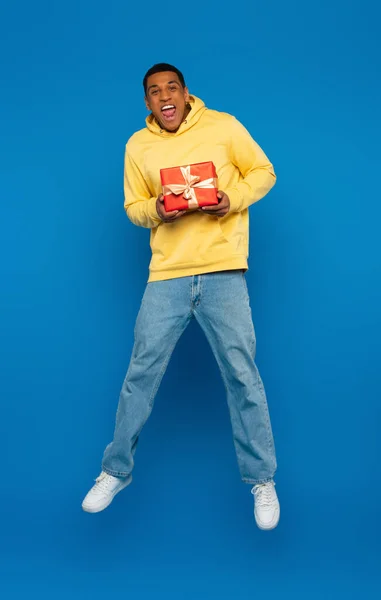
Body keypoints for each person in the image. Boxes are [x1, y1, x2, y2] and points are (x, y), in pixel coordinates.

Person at [82, 63, 280, 530]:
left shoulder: (224, 126)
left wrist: (231, 199)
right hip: (167, 274)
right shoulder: (138, 145)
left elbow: (264, 172)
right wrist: (158, 210)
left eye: (172, 87)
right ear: (148, 103)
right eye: (154, 92)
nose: (165, 96)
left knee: (242, 375)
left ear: (187, 93)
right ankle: (115, 471)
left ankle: (262, 479)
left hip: (222, 271)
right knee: (140, 375)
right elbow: (133, 208)